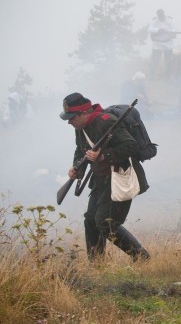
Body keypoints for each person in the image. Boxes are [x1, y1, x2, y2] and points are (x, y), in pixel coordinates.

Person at [60, 92, 150, 262]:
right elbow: (81, 150)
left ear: (83, 113)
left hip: (120, 177)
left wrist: (103, 156)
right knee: (91, 220)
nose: (69, 122)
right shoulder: (81, 129)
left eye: (72, 117)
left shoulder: (106, 121)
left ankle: (141, 257)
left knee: (105, 222)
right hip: (100, 180)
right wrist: (76, 168)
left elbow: (130, 146)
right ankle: (97, 265)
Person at [148, 9, 175, 80]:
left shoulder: (170, 20)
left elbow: (174, 31)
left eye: (162, 16)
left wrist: (167, 31)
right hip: (157, 45)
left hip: (168, 45)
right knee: (154, 62)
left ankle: (169, 78)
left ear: (163, 14)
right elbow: (149, 29)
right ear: (158, 15)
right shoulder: (154, 20)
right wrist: (158, 30)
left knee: (169, 63)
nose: (161, 17)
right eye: (159, 16)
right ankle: (151, 78)